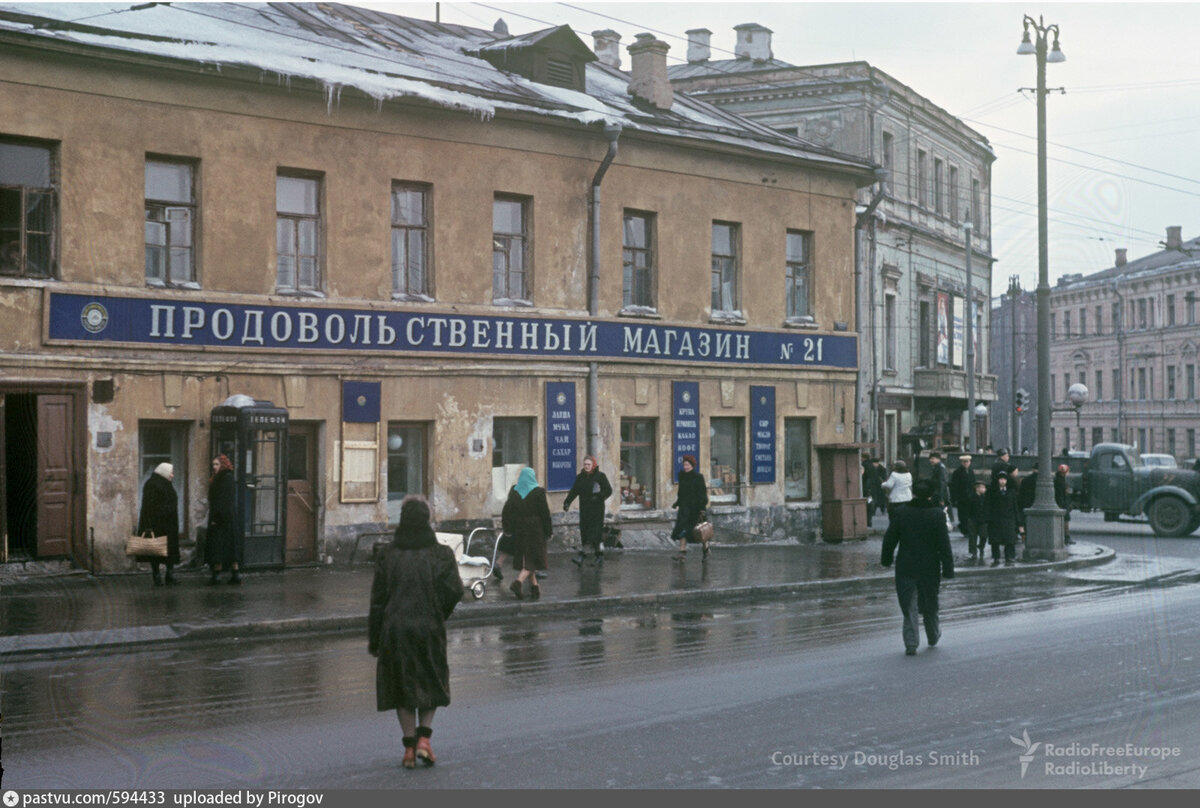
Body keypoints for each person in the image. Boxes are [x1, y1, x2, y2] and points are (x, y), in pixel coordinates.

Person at [368, 495, 463, 769]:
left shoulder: (388, 554)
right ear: (426, 521)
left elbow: (378, 599)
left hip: (395, 629)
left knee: (402, 685)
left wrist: (375, 638)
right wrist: (437, 610)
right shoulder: (441, 554)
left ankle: (408, 749)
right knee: (430, 681)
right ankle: (425, 740)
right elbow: (455, 589)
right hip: (428, 627)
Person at [880, 479, 954, 656]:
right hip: (929, 566)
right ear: (930, 496)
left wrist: (886, 560)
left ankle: (911, 643)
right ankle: (933, 635)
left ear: (913, 493)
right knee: (930, 602)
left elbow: (890, 539)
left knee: (909, 604)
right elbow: (944, 545)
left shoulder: (901, 513)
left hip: (907, 565)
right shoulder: (937, 515)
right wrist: (948, 569)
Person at [501, 467, 552, 600]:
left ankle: (535, 588)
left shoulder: (515, 491)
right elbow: (545, 514)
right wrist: (549, 531)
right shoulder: (538, 492)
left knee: (528, 557)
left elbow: (506, 511)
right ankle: (518, 583)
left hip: (519, 528)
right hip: (535, 528)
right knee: (534, 557)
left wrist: (508, 528)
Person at [563, 455, 613, 567]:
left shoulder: (600, 477)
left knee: (592, 533)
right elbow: (574, 491)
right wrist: (567, 502)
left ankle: (582, 556)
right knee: (586, 532)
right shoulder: (580, 477)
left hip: (596, 510)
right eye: (585, 464)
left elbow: (609, 490)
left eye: (589, 464)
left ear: (593, 465)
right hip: (585, 509)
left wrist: (599, 496)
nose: (587, 466)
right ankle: (599, 556)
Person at [136, 462, 180, 586]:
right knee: (155, 551)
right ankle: (157, 576)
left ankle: (169, 575)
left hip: (169, 524)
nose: (172, 475)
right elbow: (149, 506)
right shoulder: (152, 485)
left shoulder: (166, 484)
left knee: (169, 551)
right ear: (164, 472)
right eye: (171, 472)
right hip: (157, 523)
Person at [205, 455, 241, 585]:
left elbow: (222, 500)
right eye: (213, 465)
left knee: (218, 546)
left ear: (223, 465)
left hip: (221, 517)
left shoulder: (223, 478)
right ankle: (235, 574)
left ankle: (217, 575)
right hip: (227, 517)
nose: (214, 467)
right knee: (230, 546)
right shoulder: (226, 477)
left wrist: (216, 518)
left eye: (216, 464)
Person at [670, 454, 709, 561]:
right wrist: (677, 503)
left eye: (687, 465)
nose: (685, 467)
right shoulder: (682, 476)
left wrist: (702, 508)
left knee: (700, 532)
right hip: (684, 509)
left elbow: (702, 494)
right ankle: (682, 553)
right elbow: (681, 493)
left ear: (692, 465)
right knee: (683, 530)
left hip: (696, 509)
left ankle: (706, 549)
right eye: (684, 465)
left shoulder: (698, 477)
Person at [986, 471, 1020, 566]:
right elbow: (988, 505)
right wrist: (988, 518)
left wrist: (1018, 521)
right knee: (995, 540)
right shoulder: (992, 491)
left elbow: (1015, 507)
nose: (1002, 481)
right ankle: (996, 557)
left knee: (1010, 540)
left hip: (1009, 519)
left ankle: (1009, 557)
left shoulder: (1011, 492)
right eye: (1000, 479)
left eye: (1004, 479)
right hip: (995, 519)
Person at [960, 481, 990, 563]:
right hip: (973, 519)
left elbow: (987, 508)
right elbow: (967, 509)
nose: (985, 489)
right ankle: (974, 553)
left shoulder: (985, 498)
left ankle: (981, 547)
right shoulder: (971, 497)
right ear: (977, 488)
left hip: (983, 520)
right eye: (983, 488)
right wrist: (968, 518)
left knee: (984, 535)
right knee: (972, 537)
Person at [949, 454, 977, 532]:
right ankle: (964, 529)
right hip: (962, 497)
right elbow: (954, 486)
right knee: (963, 515)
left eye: (967, 462)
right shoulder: (957, 472)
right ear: (961, 463)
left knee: (970, 514)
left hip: (970, 497)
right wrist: (955, 498)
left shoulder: (971, 471)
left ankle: (969, 528)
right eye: (964, 462)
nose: (966, 463)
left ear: (970, 462)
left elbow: (973, 484)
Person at [1055, 464, 1074, 544]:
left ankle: (1066, 537)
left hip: (1062, 504)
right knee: (1065, 522)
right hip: (1063, 505)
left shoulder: (1058, 480)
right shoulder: (1061, 482)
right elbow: (1063, 495)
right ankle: (1066, 537)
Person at [861, 456, 880, 527]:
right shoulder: (872, 466)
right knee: (870, 503)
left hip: (866, 489)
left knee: (867, 504)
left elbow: (864, 477)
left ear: (863, 458)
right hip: (872, 488)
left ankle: (867, 520)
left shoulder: (864, 465)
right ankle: (869, 519)